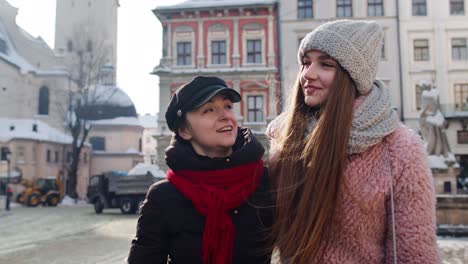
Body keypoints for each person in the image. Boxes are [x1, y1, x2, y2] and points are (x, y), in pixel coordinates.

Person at [266, 20, 440, 263]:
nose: (307, 74)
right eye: (306, 62)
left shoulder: (399, 149)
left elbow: (414, 254)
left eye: (326, 64)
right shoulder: (287, 138)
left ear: (353, 76)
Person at [127, 76, 273, 264]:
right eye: (209, 110)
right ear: (185, 131)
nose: (225, 116)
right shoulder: (163, 197)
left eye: (228, 106)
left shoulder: (266, 182)